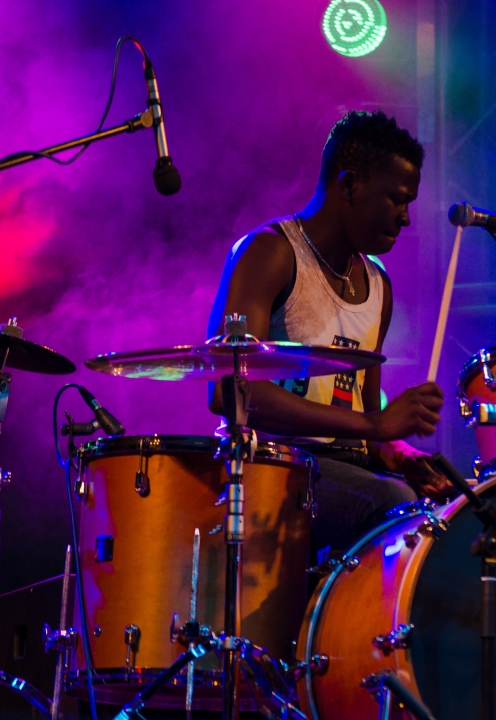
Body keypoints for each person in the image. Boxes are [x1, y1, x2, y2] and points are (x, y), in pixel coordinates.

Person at [208, 110, 453, 553]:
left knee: (451, 509)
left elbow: (364, 420)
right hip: (271, 466)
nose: (406, 218)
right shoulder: (270, 252)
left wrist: (398, 452)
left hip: (344, 470)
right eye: (397, 200)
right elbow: (230, 392)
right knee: (393, 503)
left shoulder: (378, 284)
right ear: (350, 185)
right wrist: (373, 425)